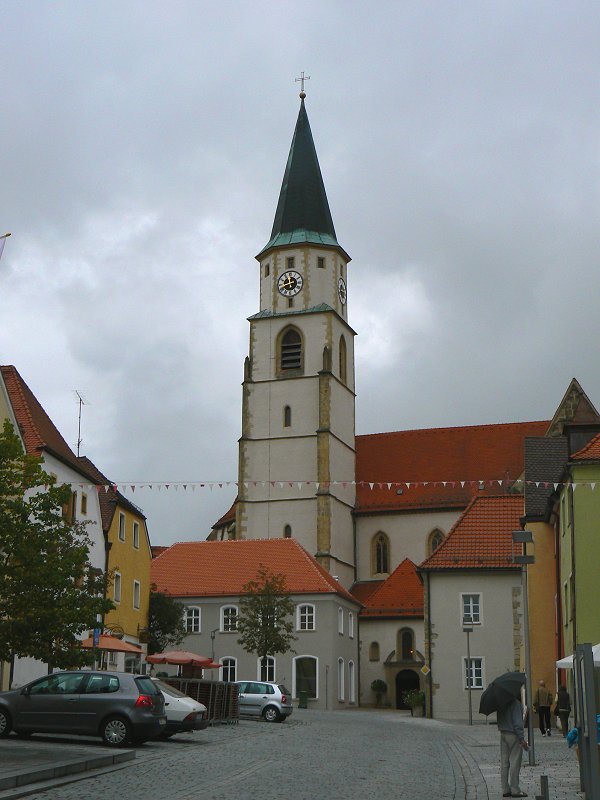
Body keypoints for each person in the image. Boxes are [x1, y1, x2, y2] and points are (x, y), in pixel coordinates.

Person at [497, 696, 529, 798]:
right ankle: (515, 789)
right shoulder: (515, 703)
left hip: (503, 734)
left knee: (504, 762)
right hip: (513, 735)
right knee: (515, 762)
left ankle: (505, 789)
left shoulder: (500, 702)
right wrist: (521, 738)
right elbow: (517, 723)